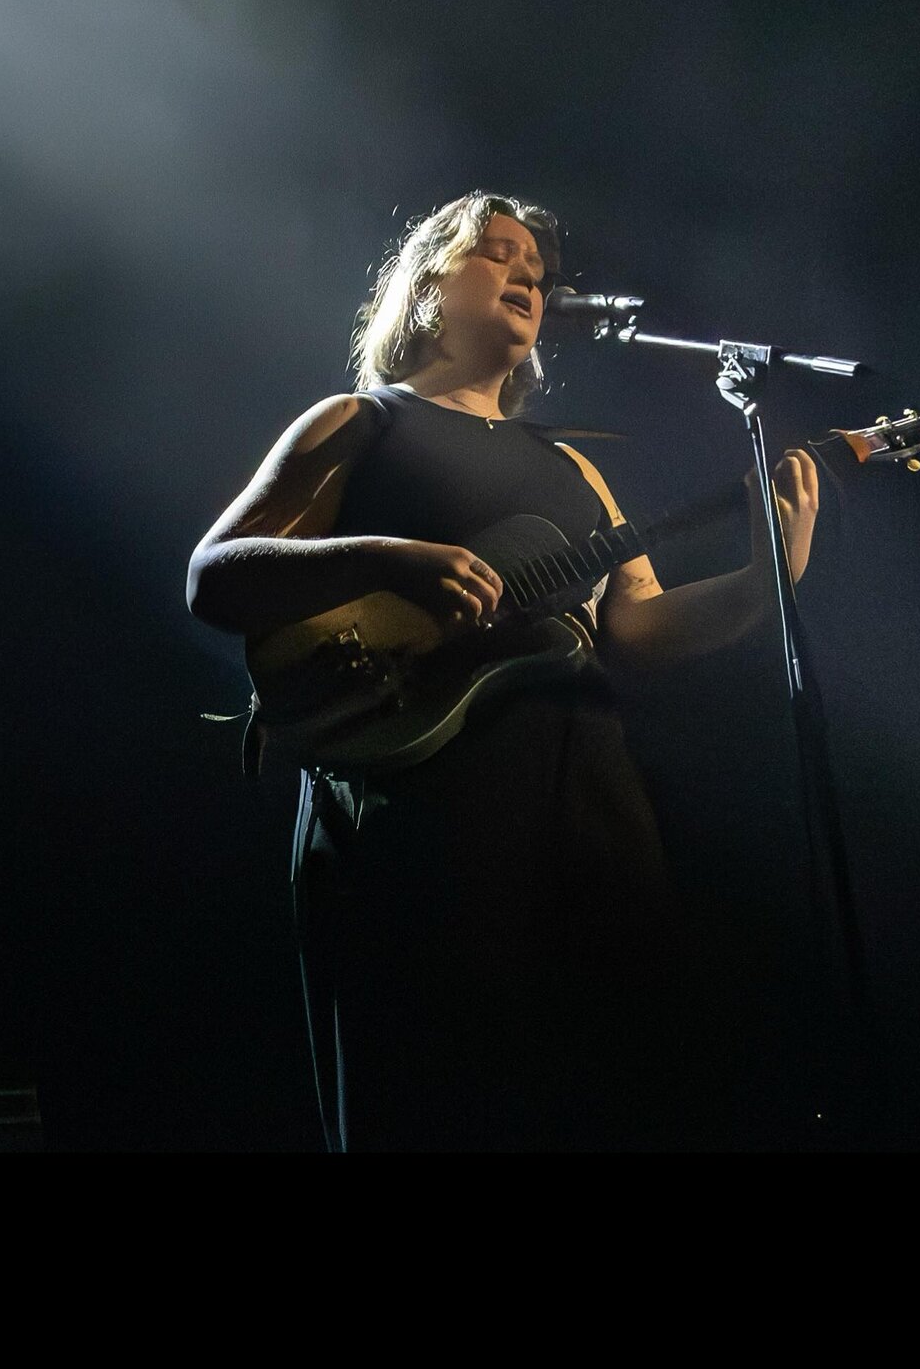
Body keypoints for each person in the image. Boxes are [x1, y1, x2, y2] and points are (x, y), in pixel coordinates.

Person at [186, 191, 818, 1152]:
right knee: (438, 1082)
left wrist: (769, 576)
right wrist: (388, 559)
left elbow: (638, 626)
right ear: (429, 284)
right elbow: (216, 576)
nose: (530, 275)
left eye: (540, 268)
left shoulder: (574, 468)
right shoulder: (361, 422)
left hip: (583, 787)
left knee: (614, 1073)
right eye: (499, 254)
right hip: (418, 784)